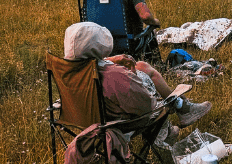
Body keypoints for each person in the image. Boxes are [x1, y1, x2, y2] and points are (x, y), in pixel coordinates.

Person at [63, 21, 210, 127]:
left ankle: (182, 107)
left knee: (141, 65)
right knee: (143, 72)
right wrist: (132, 75)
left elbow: (90, 61)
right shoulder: (114, 74)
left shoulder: (66, 70)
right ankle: (179, 107)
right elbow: (145, 104)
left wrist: (111, 59)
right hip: (118, 118)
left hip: (82, 114)